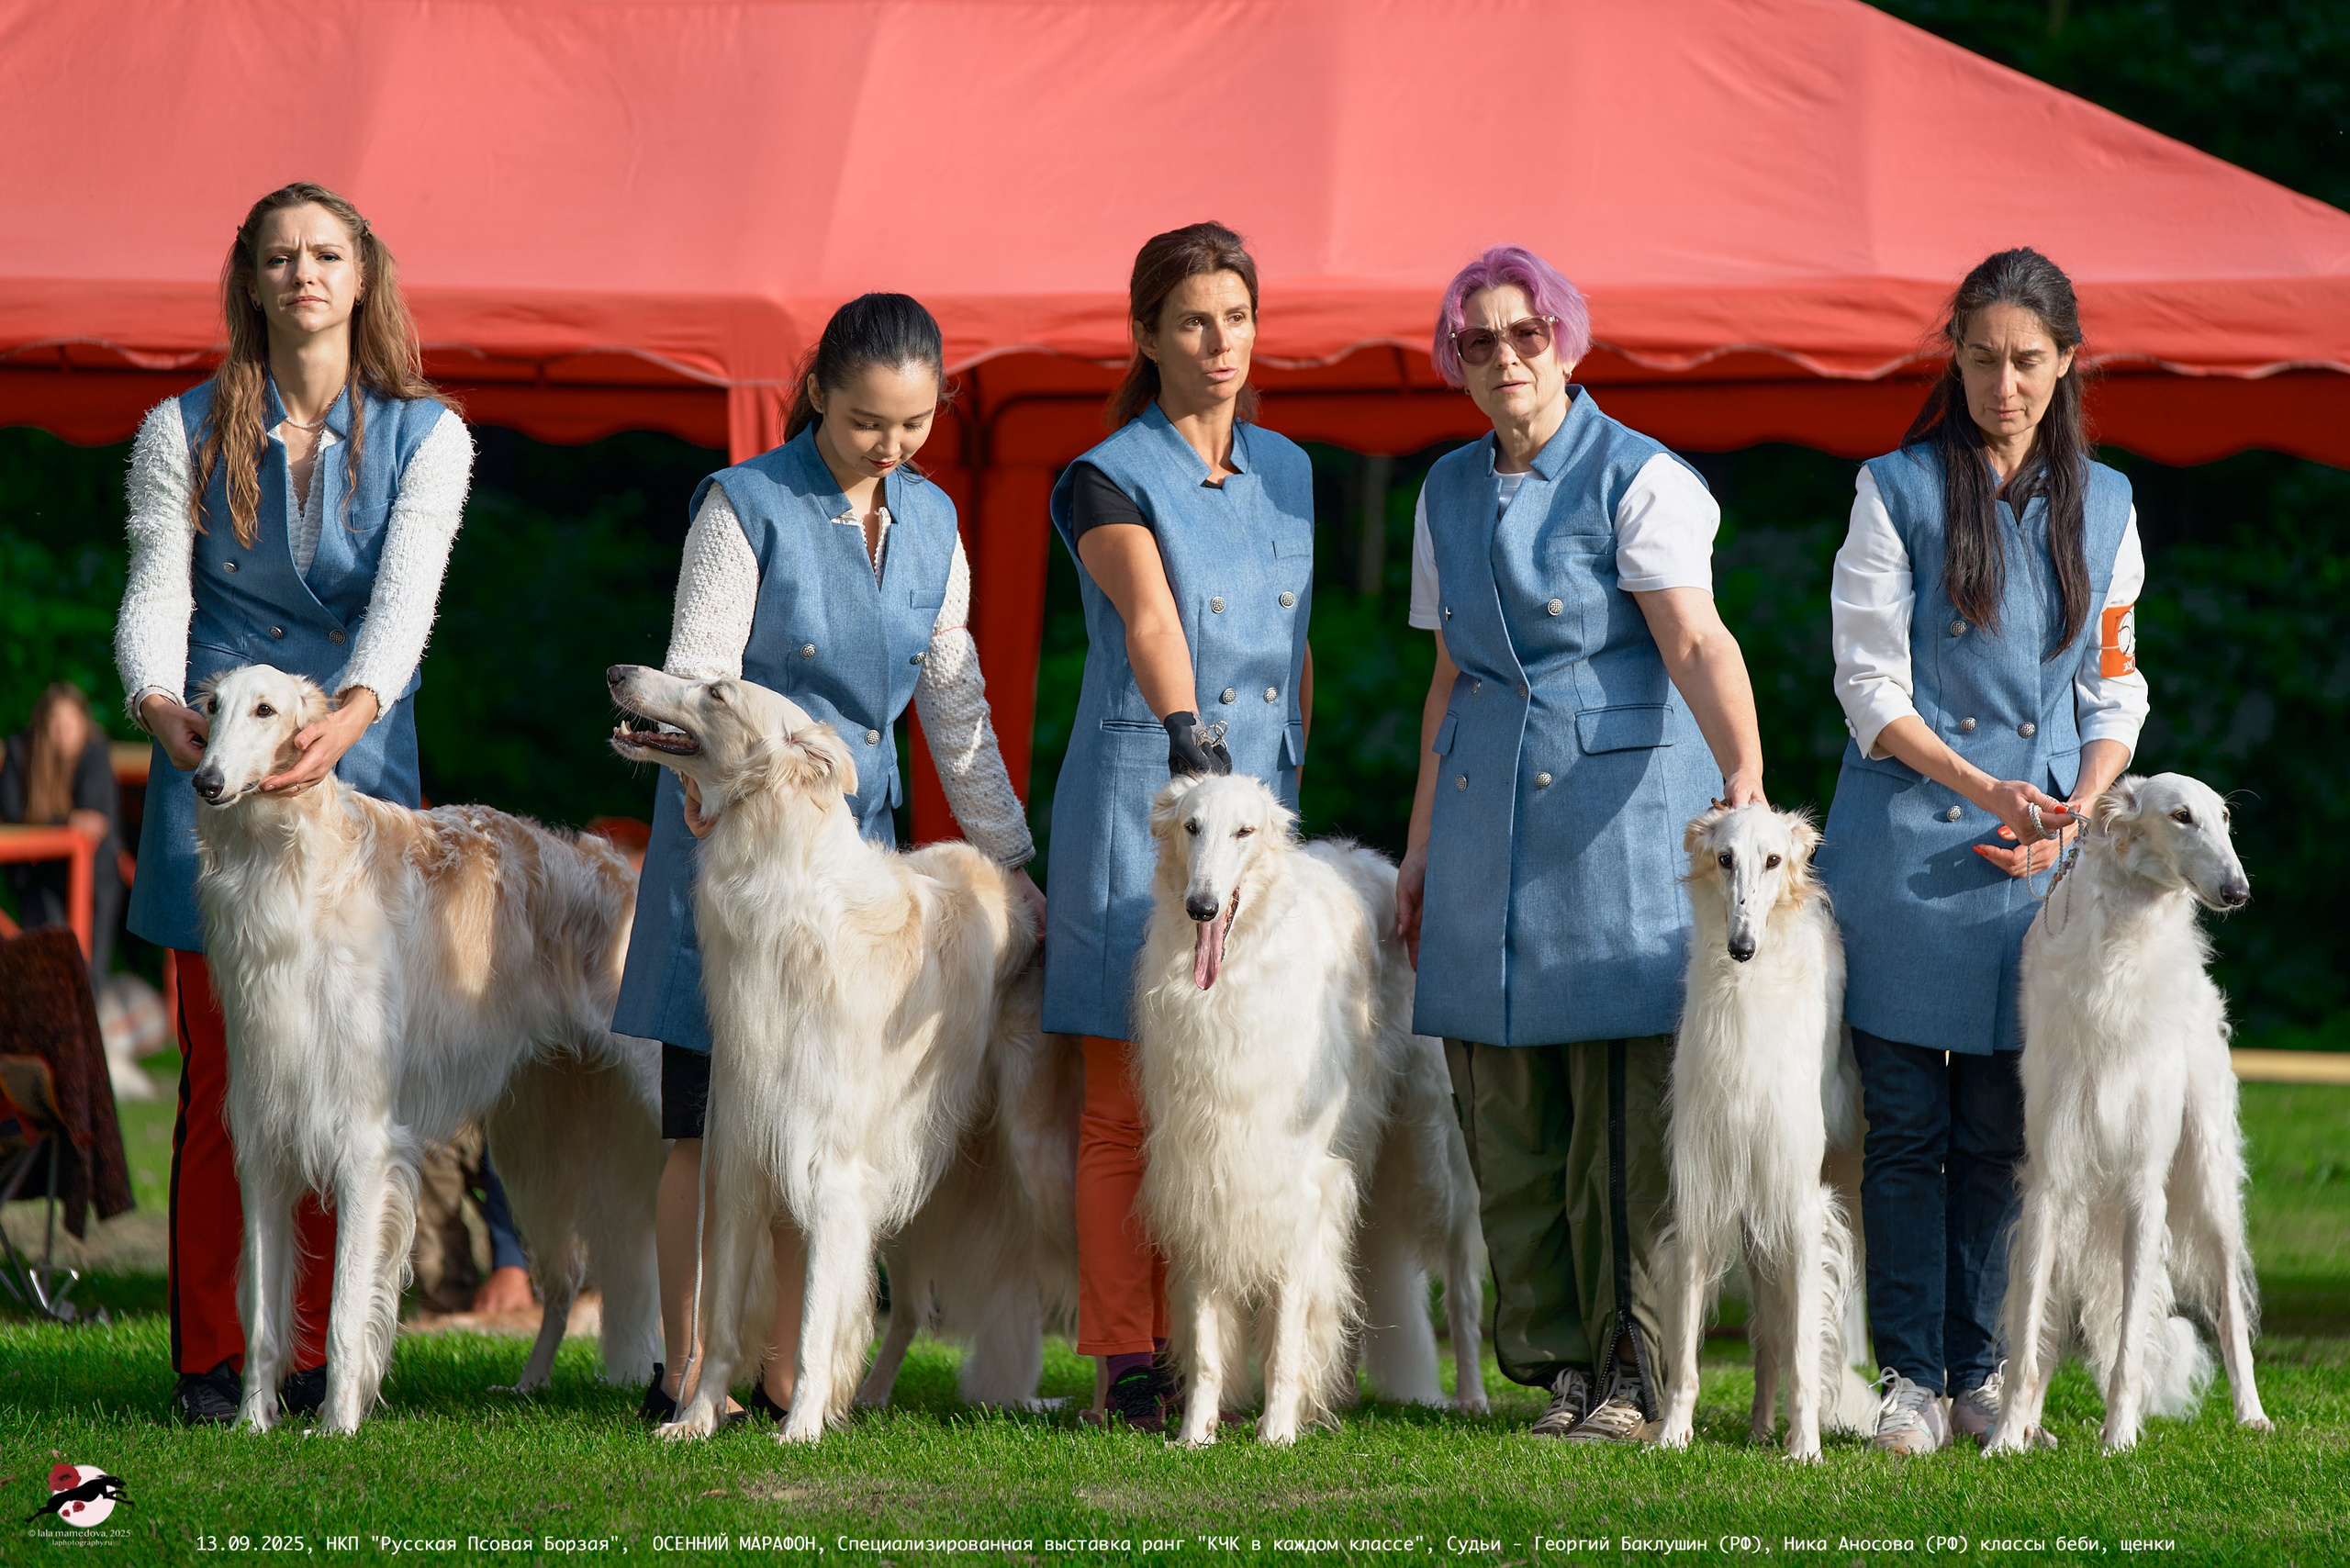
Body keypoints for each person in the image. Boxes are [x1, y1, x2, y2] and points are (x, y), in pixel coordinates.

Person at [613, 293, 1038, 1427]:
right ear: (815, 394)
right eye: (865, 423)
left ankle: (787, 1367)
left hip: (857, 881)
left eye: (913, 425)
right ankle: (686, 1369)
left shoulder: (937, 525)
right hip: (730, 854)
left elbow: (953, 709)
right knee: (703, 1119)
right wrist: (747, 784)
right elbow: (698, 678)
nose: (891, 447)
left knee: (820, 1124)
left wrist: (1011, 854)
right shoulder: (741, 506)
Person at [114, 182, 474, 1425]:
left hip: (353, 765)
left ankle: (320, 1352)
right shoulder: (180, 427)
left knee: (344, 1072)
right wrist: (163, 707)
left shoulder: (431, 436)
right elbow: (157, 587)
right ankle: (214, 1354)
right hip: (206, 766)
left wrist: (355, 716)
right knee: (223, 1077)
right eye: (278, 257)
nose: (302, 274)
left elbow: (406, 603)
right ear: (250, 281)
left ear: (362, 275)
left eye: (324, 253)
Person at [1393, 245, 1765, 1444]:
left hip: (1619, 829)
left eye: (1525, 335)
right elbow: (1447, 677)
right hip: (1482, 828)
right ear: (1455, 361)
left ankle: (1636, 1372)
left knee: (1621, 1119)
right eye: (1477, 341)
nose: (1504, 357)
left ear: (1566, 340)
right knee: (1504, 1113)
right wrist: (1414, 853)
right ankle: (1558, 1366)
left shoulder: (1641, 478)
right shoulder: (1444, 490)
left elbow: (1698, 645)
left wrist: (1746, 777)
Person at [1818, 247, 2147, 1454]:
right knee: (1906, 1126)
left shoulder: (2106, 507)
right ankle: (1909, 1374)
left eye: (2026, 363)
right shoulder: (1893, 489)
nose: (2001, 386)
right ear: (1951, 354)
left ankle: (1985, 1370)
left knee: (2005, 1131)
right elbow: (1866, 682)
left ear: (2065, 365)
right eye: (1980, 359)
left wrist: (2071, 805)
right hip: (1904, 844)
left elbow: (2114, 689)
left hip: (2041, 859)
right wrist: (1978, 787)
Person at [1043, 221, 1315, 1431]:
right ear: (1149, 335)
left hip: (1259, 828)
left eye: (1239, 318)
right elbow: (1153, 619)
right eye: (1196, 321)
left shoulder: (1296, 472)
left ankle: (1224, 1345)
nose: (1221, 343)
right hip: (1143, 804)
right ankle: (1124, 1357)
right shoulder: (1102, 473)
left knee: (1238, 1095)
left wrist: (1285, 780)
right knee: (1125, 1100)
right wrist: (1190, 728)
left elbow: (1298, 650)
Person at [0, 682, 125, 983]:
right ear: (42, 725)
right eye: (55, 722)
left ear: (84, 724)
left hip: (94, 881)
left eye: (70, 723)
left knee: (88, 978)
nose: (63, 731)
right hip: (38, 875)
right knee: (43, 973)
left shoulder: (94, 752)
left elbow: (96, 824)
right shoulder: (21, 751)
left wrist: (53, 822)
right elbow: (12, 818)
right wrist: (67, 821)